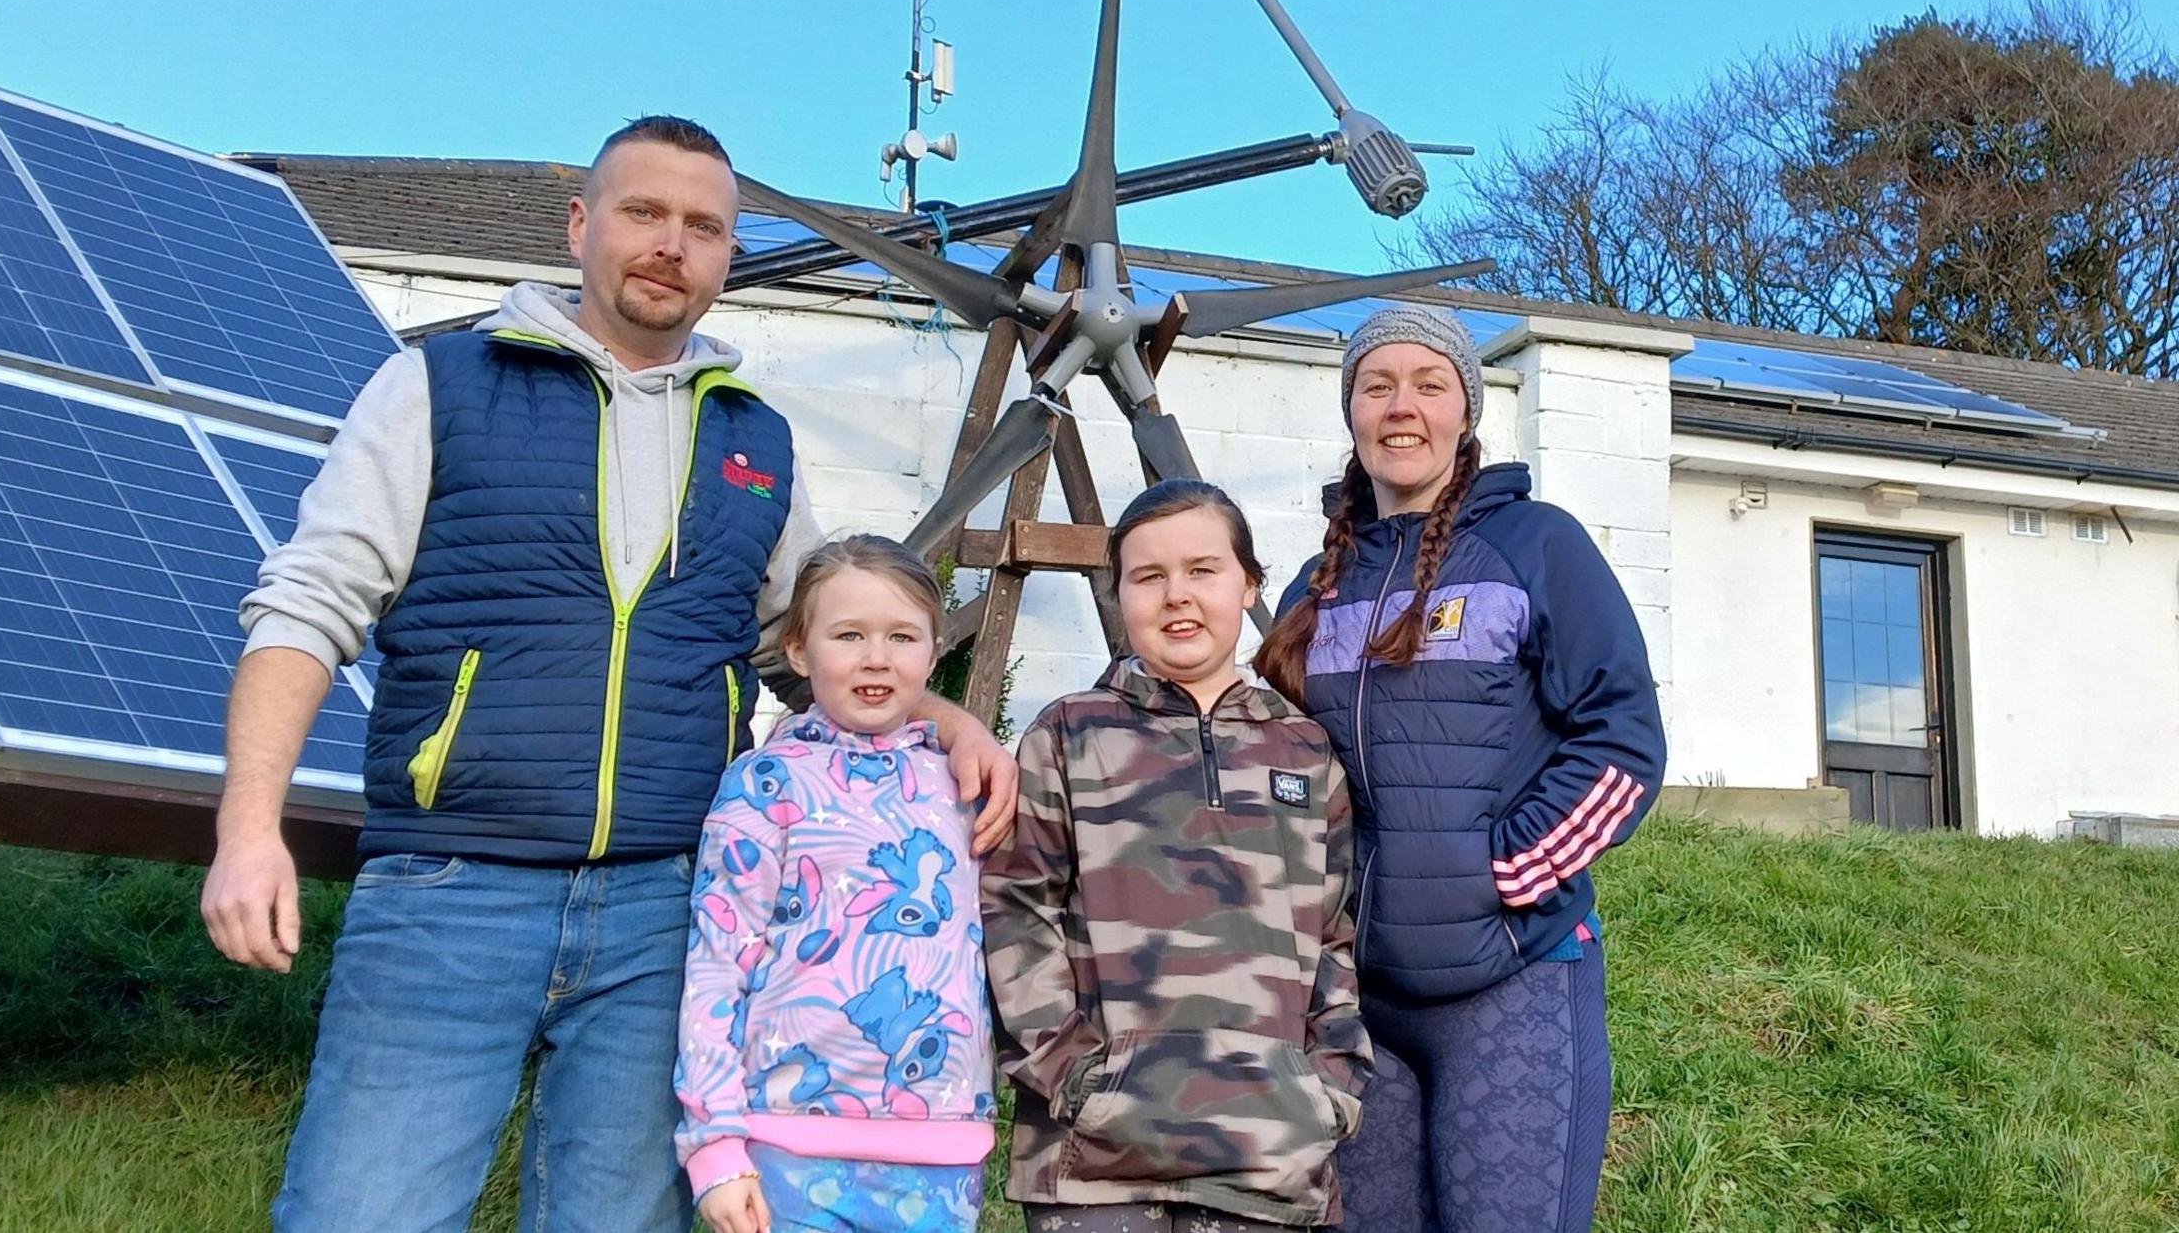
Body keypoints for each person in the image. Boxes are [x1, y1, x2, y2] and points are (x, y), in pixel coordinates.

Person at [199, 115, 1017, 1233]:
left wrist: (944, 721)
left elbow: (810, 634)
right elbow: (309, 599)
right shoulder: (438, 384)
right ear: (581, 224)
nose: (671, 243)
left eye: (703, 226)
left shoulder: (754, 439)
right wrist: (250, 828)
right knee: (364, 1210)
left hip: (666, 904)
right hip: (452, 884)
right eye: (643, 212)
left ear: (729, 253)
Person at [1249, 304, 1666, 1233]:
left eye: (1430, 384)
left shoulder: (1536, 546)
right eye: (1378, 384)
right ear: (1351, 411)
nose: (1404, 406)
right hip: (1362, 1005)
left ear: (1465, 411)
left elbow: (1624, 739)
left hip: (1514, 981)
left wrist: (1499, 871)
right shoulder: (1314, 588)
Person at [985, 480, 1369, 1232]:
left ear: (1249, 582)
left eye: (1203, 569)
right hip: (1094, 1163)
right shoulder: (1068, 735)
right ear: (1119, 591)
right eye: (1149, 576)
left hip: (1271, 1157)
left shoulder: (1304, 749)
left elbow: (1333, 935)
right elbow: (1010, 910)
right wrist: (1073, 1079)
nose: (1177, 596)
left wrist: (1331, 1090)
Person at [676, 535, 993, 1233]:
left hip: (941, 1146)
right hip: (789, 1144)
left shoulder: (965, 784)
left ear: (934, 651)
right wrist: (717, 1145)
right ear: (798, 650)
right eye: (848, 634)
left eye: (901, 635)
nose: (875, 656)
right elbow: (716, 965)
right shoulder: (766, 783)